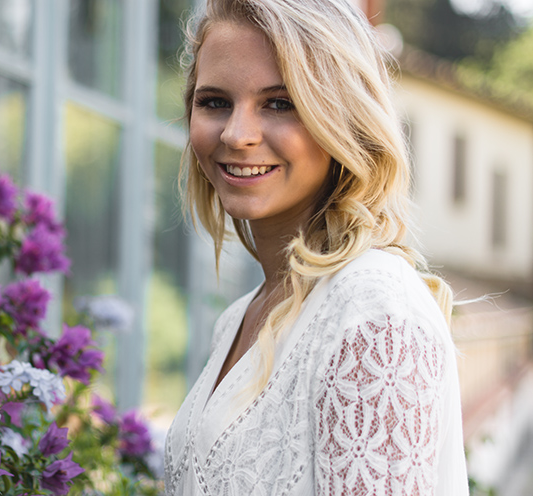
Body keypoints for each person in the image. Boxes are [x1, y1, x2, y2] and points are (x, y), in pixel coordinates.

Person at [163, 0, 470, 494]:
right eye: (215, 101)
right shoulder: (239, 318)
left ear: (345, 121)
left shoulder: (373, 311)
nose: (237, 134)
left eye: (280, 103)